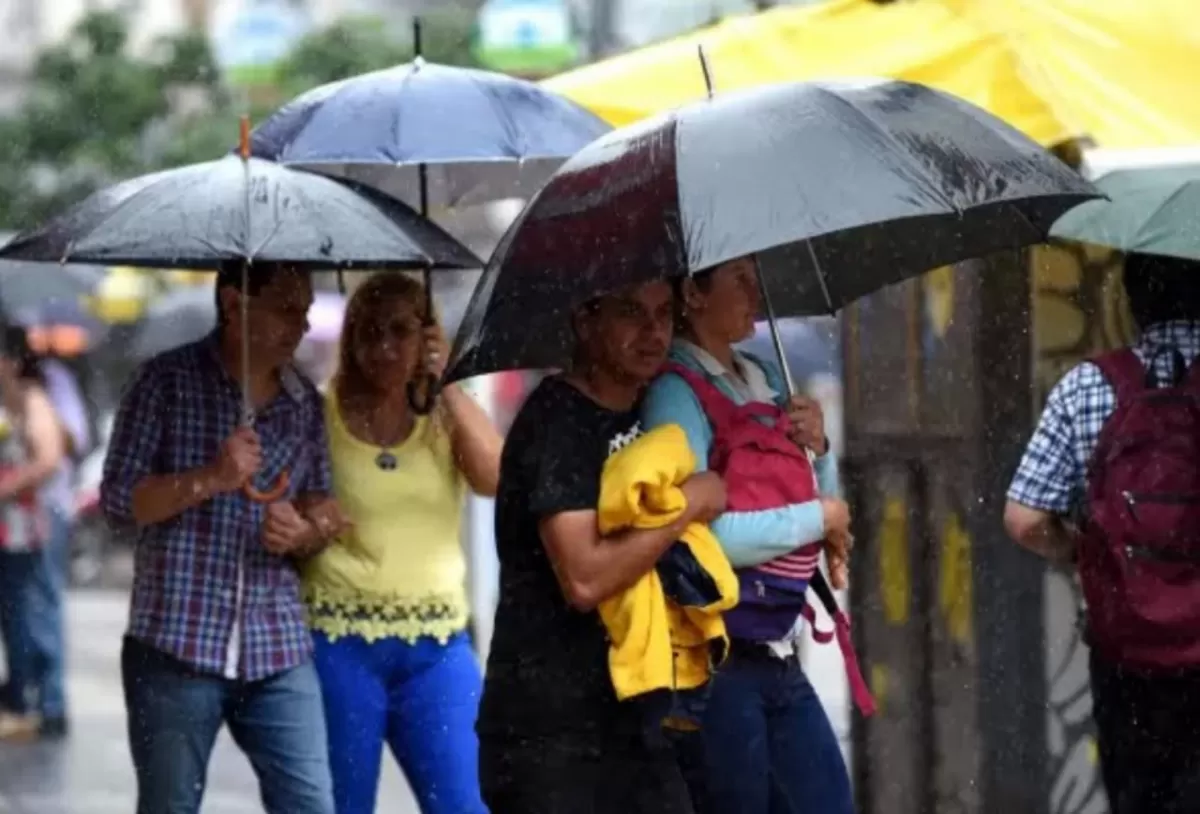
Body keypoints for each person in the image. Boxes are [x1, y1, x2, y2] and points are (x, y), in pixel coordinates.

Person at [101, 263, 348, 814]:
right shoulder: (163, 382)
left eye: (306, 310)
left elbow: (320, 509)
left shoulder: (303, 400)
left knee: (311, 804)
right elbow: (118, 504)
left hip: (276, 647)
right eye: (287, 308)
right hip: (175, 644)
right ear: (235, 305)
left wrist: (304, 533)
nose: (302, 325)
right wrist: (210, 478)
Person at [477, 279, 726, 814]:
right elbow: (584, 579)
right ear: (585, 323)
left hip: (635, 720)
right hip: (547, 733)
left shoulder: (658, 415)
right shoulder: (557, 420)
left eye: (664, 313)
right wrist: (689, 504)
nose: (654, 331)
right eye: (631, 312)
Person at [640, 256, 855, 814]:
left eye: (755, 273)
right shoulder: (674, 393)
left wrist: (821, 451)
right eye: (738, 279)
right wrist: (819, 519)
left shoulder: (766, 374)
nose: (754, 289)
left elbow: (811, 496)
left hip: (778, 650)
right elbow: (699, 538)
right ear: (693, 293)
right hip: (718, 662)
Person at [1005, 253, 1200, 814]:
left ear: (1133, 302)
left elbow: (1023, 518)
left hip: (1128, 655)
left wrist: (1081, 550)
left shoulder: (1091, 385)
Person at [303, 273, 502, 814]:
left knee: (468, 804)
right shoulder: (316, 415)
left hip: (437, 648)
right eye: (368, 332)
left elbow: (497, 478)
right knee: (342, 806)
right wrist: (306, 523)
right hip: (338, 643)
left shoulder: (444, 414)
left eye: (400, 331)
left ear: (426, 337)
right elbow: (287, 508)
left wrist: (449, 382)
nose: (384, 347)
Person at [0, 327, 73, 740]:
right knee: (14, 612)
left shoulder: (32, 399)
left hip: (30, 521)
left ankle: (50, 702)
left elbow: (49, 459)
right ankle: (22, 694)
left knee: (38, 607)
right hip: (7, 522)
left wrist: (8, 487)